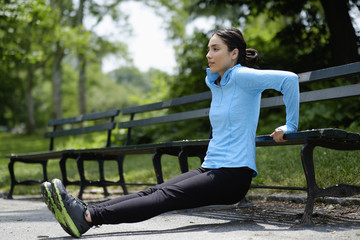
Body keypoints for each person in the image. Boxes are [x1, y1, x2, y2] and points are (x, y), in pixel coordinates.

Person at [41, 27, 299, 238]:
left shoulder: (243, 76)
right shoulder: (219, 83)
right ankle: (84, 214)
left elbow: (289, 80)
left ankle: (87, 217)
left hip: (233, 174)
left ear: (234, 54)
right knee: (152, 192)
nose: (208, 54)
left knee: (165, 197)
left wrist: (290, 126)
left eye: (215, 49)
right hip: (212, 167)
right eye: (208, 48)